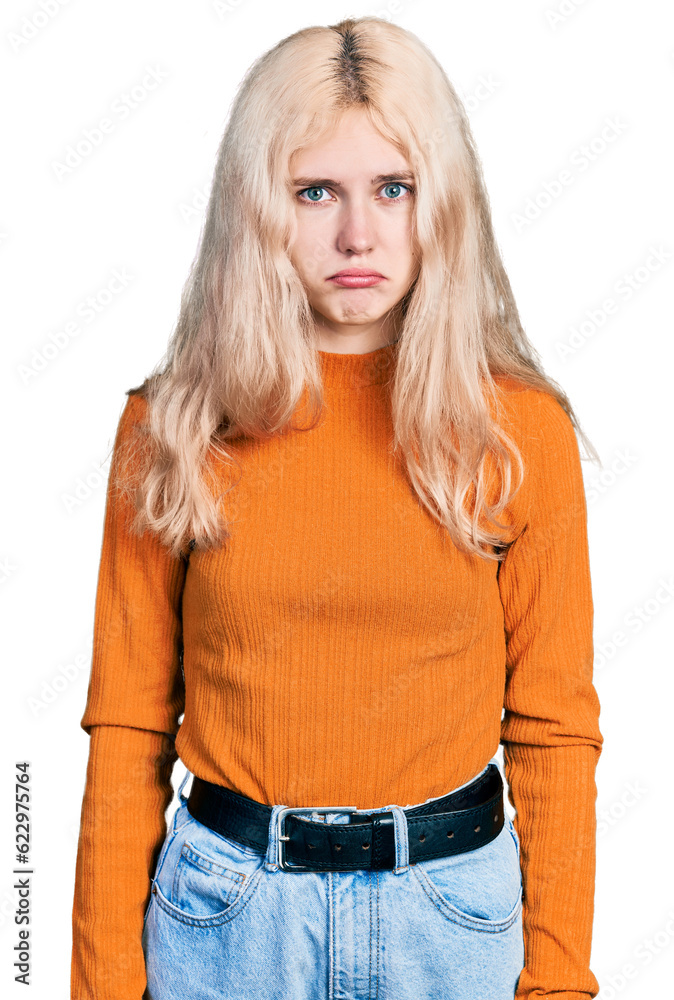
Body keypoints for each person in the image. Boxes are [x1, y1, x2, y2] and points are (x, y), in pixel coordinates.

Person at [70, 15, 603, 1000]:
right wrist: (100, 985)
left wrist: (560, 983)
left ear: (438, 201)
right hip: (222, 917)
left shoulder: (516, 431)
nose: (356, 234)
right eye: (313, 191)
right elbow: (126, 727)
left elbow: (553, 731)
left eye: (391, 189)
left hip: (451, 919)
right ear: (256, 207)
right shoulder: (171, 425)